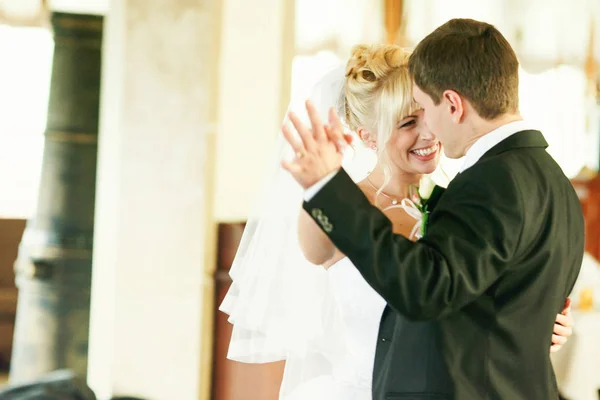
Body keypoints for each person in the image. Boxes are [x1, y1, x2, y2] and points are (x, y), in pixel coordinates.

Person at [281, 19, 584, 400]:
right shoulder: (339, 209)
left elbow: (461, 293)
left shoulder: (466, 198)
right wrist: (326, 186)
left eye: (428, 113)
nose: (430, 132)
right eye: (410, 120)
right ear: (367, 136)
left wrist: (536, 319)